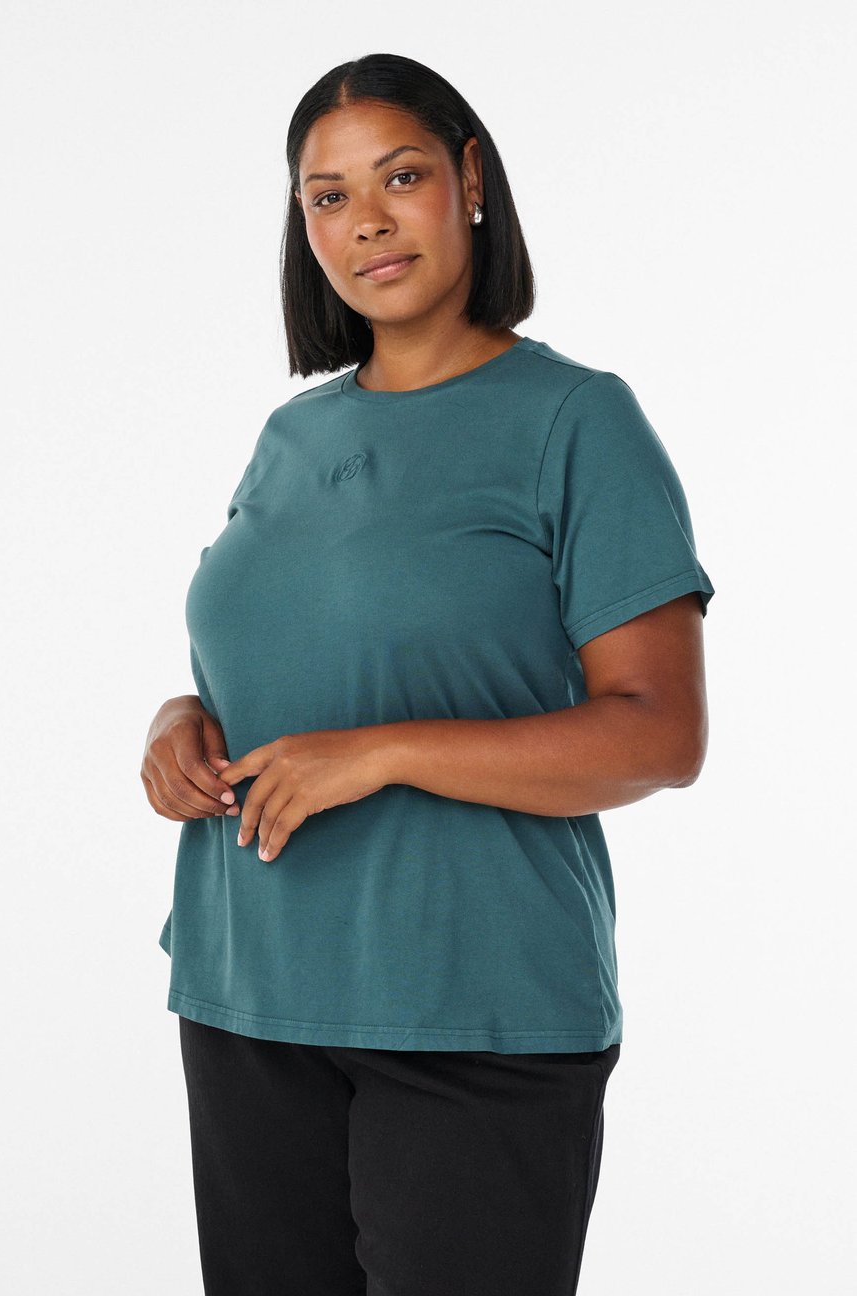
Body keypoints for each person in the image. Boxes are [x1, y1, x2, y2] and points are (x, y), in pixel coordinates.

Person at [140, 52, 715, 1296]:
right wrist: (182, 721)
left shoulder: (577, 420)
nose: (367, 222)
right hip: (248, 994)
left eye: (399, 177)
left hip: (472, 1010)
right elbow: (274, 660)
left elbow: (659, 733)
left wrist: (387, 753)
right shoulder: (291, 436)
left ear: (471, 182)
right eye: (328, 196)